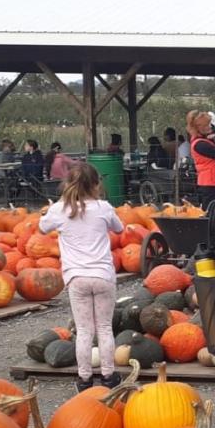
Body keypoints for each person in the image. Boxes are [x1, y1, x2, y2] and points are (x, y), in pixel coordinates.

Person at [39, 163, 126, 392]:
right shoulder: (103, 208)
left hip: (76, 277)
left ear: (69, 184)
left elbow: (41, 228)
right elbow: (119, 229)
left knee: (84, 330)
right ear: (96, 185)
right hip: (103, 276)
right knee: (105, 328)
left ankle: (84, 380)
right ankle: (109, 376)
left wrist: (50, 211)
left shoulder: (59, 209)